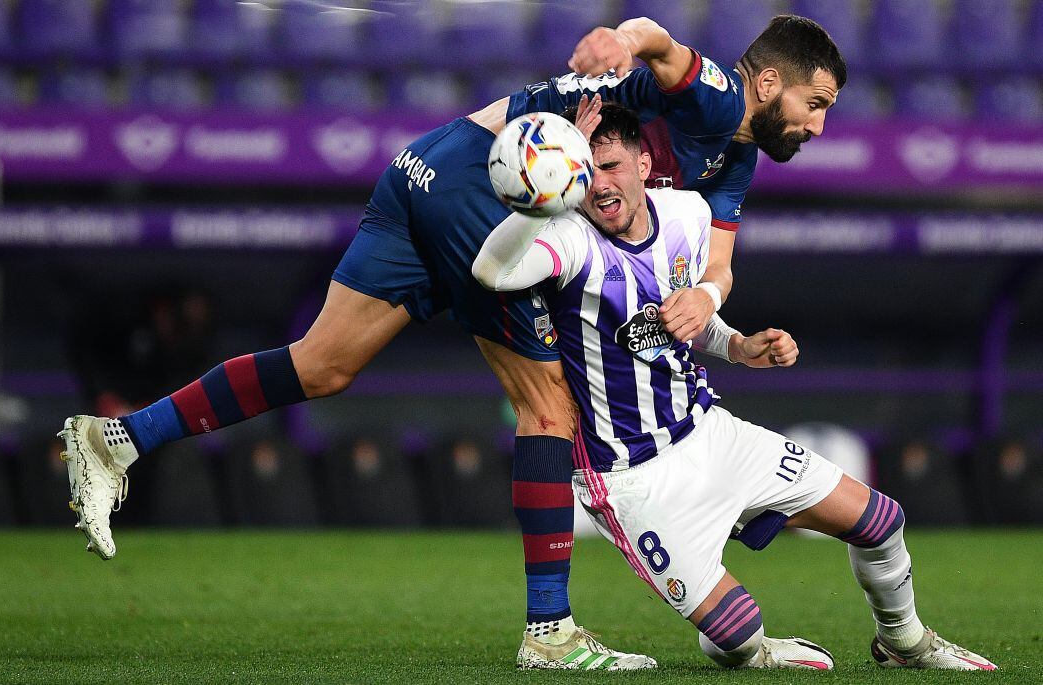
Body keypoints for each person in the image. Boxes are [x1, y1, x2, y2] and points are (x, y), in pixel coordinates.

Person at [59, 14, 844, 670]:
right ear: (770, 83)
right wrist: (621, 38)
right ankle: (550, 634)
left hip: (428, 163)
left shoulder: (735, 161)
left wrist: (709, 306)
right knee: (550, 407)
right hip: (489, 187)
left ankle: (120, 437)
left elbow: (715, 269)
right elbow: (658, 40)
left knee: (322, 364)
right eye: (815, 104)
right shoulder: (717, 101)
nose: (817, 126)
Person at [473, 102, 996, 671]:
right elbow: (493, 273)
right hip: (632, 478)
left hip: (710, 432)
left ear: (645, 164)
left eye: (614, 166)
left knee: (880, 521)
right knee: (739, 639)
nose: (602, 185)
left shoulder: (687, 215)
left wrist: (739, 346)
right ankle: (743, 640)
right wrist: (536, 200)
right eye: (587, 172)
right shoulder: (571, 239)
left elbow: (692, 318)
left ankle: (905, 640)